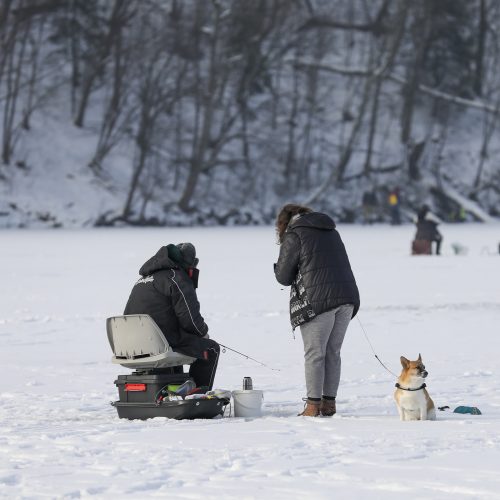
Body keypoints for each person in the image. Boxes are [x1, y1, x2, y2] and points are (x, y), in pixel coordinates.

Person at [274, 204, 360, 417]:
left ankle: (312, 406)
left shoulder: (295, 235)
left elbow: (283, 277)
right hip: (347, 297)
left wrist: (277, 266)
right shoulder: (332, 231)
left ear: (285, 222)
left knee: (315, 353)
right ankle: (329, 404)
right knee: (333, 352)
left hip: (318, 300)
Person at [124, 243, 219, 390]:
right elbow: (190, 321)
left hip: (132, 346)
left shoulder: (143, 279)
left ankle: (175, 392)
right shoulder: (177, 277)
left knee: (177, 344)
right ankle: (196, 396)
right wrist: (203, 334)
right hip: (161, 343)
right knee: (211, 348)